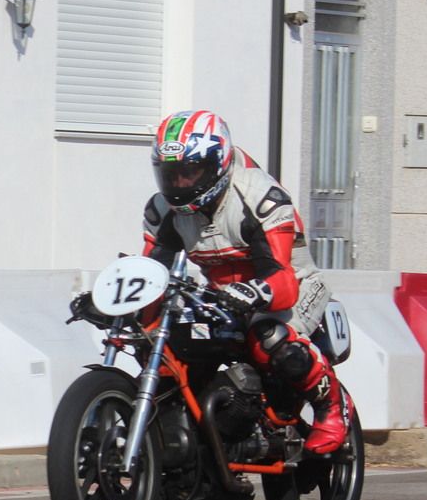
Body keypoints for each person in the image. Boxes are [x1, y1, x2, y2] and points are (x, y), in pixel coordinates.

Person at [141, 109, 350, 454]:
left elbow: (282, 278)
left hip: (293, 287)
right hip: (223, 295)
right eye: (171, 174)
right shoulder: (163, 211)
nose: (179, 184)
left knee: (269, 338)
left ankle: (333, 408)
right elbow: (151, 271)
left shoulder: (259, 197)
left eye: (189, 172)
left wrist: (254, 291)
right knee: (157, 338)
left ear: (217, 165)